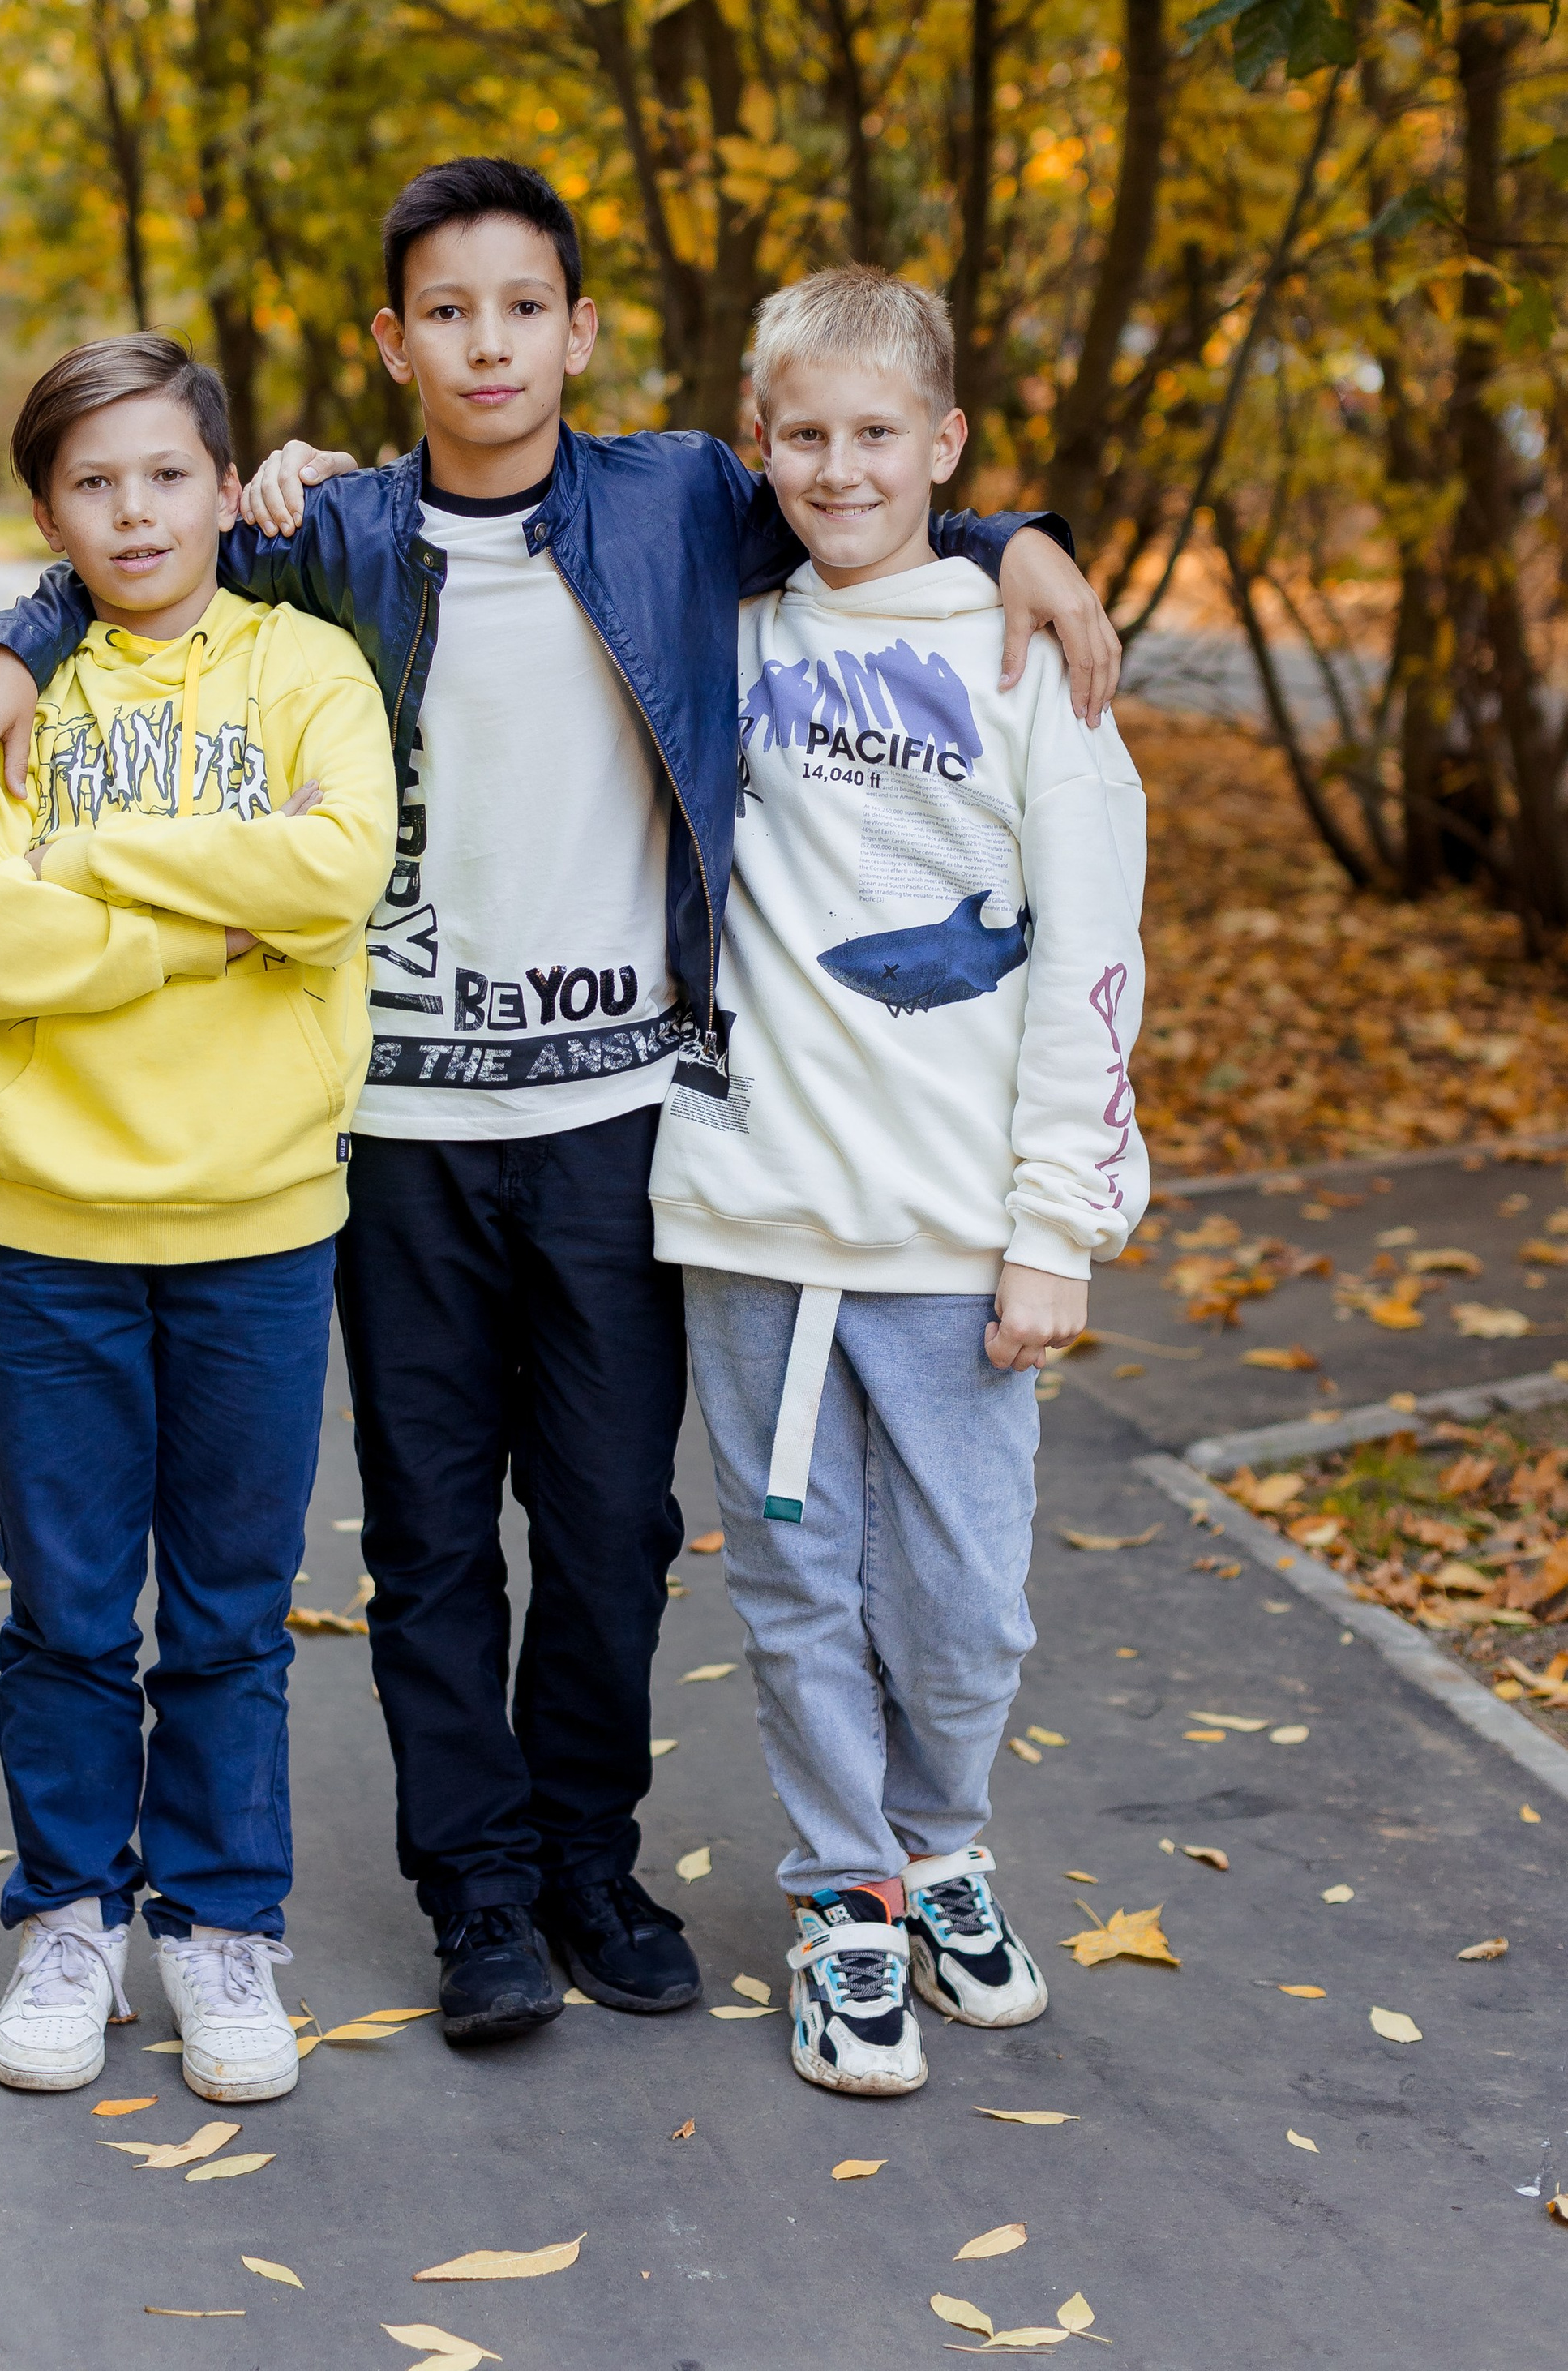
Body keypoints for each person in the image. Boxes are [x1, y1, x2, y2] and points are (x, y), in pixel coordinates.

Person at [0, 160, 1121, 2048]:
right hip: (396, 1133)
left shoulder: (673, 500)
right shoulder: (327, 535)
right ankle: (473, 1889)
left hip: (617, 1123)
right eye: (444, 312)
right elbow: (126, 553)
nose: (486, 342)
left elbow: (862, 494)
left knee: (610, 1525)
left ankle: (586, 1858)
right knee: (428, 1539)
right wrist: (4, 646)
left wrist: (1016, 537)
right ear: (394, 343)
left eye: (521, 307)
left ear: (578, 328)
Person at [649, 265, 1146, 2101]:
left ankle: (942, 1847)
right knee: (794, 1585)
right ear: (755, 446)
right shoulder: (724, 624)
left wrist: (1056, 1229)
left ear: (943, 442)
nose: (839, 468)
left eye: (878, 435)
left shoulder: (1031, 658)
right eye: (803, 436)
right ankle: (842, 1894)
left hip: (954, 1241)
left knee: (963, 1599)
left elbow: (1095, 955)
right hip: (751, 1218)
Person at [0, 332, 395, 2106]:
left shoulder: (311, 670)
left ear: (221, 487)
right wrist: (211, 919)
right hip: (53, 1226)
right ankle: (67, 1915)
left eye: (164, 475)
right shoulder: (9, 698)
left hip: (262, 1220)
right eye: (92, 483)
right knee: (61, 1604)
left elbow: (337, 869)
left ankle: (216, 1928)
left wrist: (91, 866)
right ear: (48, 513)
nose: (133, 511)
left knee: (229, 1609)